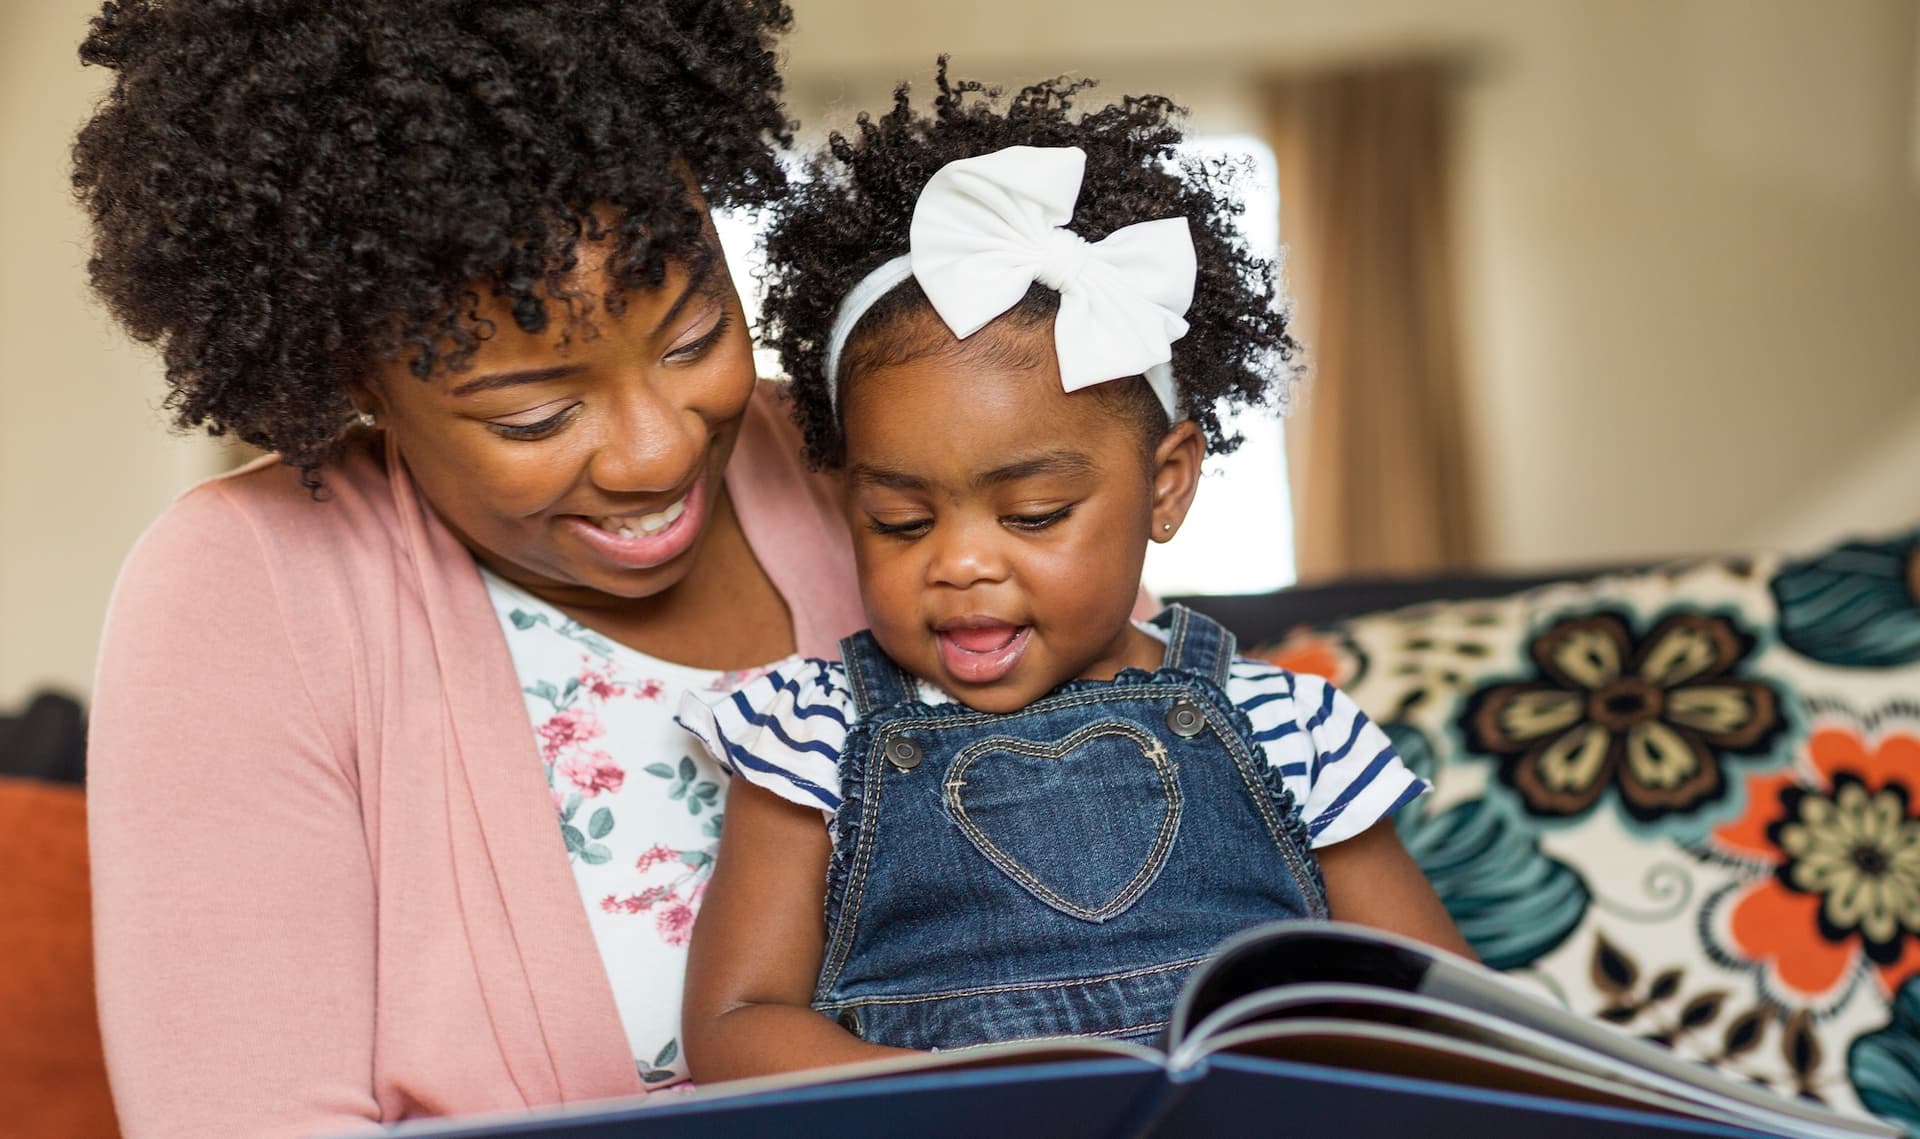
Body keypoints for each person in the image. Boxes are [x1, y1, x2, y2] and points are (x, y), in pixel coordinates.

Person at [71, 2, 864, 1134]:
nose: (657, 451)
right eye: (534, 415)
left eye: (693, 339)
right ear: (359, 375)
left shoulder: (874, 462)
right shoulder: (246, 588)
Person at [677, 66, 1471, 1083]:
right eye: (900, 520)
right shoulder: (811, 732)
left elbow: (1445, 1014)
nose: (961, 561)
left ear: (1166, 485)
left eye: (1034, 514)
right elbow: (735, 1024)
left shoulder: (1292, 725)